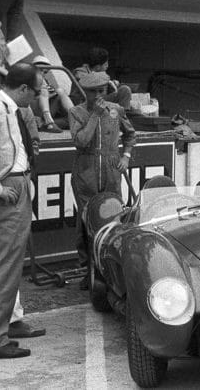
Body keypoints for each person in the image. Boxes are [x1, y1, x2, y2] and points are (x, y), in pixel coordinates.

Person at [0, 63, 42, 359]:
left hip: (17, 186)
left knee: (8, 264)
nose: (37, 97)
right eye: (36, 92)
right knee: (3, 266)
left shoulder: (8, 108)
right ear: (23, 89)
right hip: (8, 191)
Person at [69, 72, 136, 290]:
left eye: (102, 91)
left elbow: (130, 134)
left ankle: (112, 271)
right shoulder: (76, 111)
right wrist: (95, 115)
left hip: (111, 171)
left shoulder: (116, 110)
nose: (98, 95)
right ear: (85, 92)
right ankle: (90, 271)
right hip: (85, 172)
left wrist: (125, 156)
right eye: (93, 91)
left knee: (114, 218)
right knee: (87, 222)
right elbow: (81, 141)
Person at [73, 47, 132, 111]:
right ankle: (121, 116)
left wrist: (112, 83)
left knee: (123, 90)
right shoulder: (80, 72)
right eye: (106, 64)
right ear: (98, 67)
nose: (107, 66)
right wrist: (108, 82)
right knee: (125, 90)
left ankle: (122, 115)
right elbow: (90, 84)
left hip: (97, 100)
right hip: (86, 103)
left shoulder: (97, 72)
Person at [30, 56, 77, 133]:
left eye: (45, 72)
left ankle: (77, 116)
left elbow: (51, 95)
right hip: (34, 113)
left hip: (44, 114)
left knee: (60, 91)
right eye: (40, 70)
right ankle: (47, 121)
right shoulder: (27, 78)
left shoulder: (45, 81)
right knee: (44, 89)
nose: (42, 73)